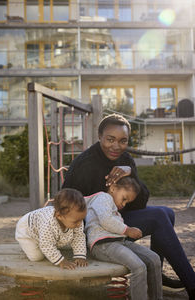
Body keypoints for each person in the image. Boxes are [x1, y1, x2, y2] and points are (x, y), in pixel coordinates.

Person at [63, 113, 195, 299]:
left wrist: (130, 173)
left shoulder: (125, 160)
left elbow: (140, 203)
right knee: (158, 217)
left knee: (167, 213)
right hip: (92, 233)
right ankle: (192, 284)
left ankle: (155, 273)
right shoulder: (85, 164)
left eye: (122, 141)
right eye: (110, 139)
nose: (116, 146)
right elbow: (66, 204)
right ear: (99, 136)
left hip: (113, 219)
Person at [85, 176, 163, 300]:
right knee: (139, 267)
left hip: (119, 242)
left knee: (154, 259)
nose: (123, 204)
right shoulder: (102, 197)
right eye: (124, 198)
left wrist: (126, 231)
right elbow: (105, 220)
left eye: (127, 202)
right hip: (102, 244)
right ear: (113, 188)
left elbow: (114, 225)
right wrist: (128, 230)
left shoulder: (112, 206)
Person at [15, 188, 87, 270]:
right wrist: (61, 261)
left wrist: (80, 255)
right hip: (27, 230)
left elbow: (79, 236)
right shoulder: (48, 224)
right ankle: (28, 244)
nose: (79, 224)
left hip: (43, 231)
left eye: (82, 219)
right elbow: (46, 245)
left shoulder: (76, 219)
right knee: (37, 257)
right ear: (59, 216)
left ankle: (45, 243)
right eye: (76, 222)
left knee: (57, 243)